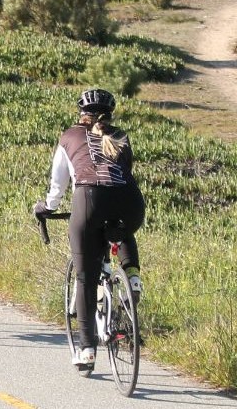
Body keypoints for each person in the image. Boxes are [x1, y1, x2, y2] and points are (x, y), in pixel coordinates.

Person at [34, 88, 145, 372]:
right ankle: (132, 276)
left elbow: (58, 183)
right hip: (131, 202)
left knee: (85, 279)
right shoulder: (121, 135)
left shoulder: (69, 136)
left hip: (89, 200)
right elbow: (122, 175)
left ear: (80, 113)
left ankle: (86, 350)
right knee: (121, 230)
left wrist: (48, 206)